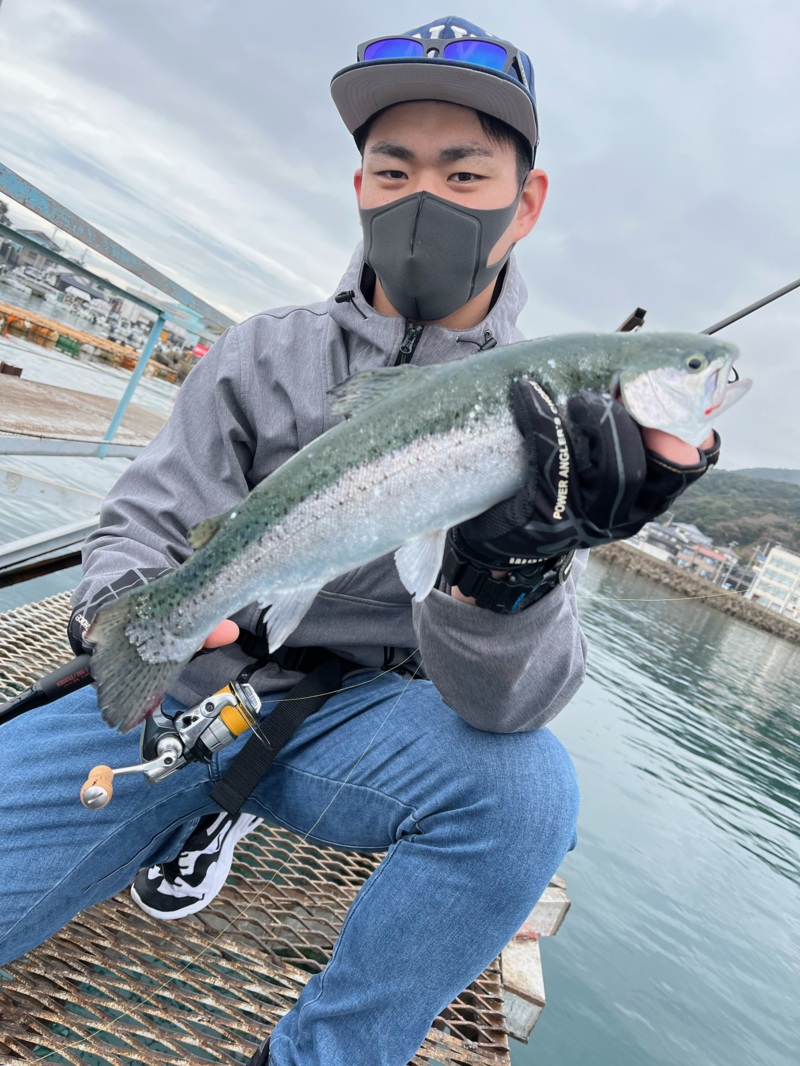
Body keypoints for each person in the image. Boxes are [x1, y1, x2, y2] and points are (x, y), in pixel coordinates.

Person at [0, 16, 720, 1066]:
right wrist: (128, 611)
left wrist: (508, 573)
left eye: (463, 170)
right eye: (393, 165)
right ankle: (193, 797)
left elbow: (509, 705)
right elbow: (147, 518)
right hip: (197, 679)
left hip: (367, 716)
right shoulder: (263, 353)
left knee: (528, 799)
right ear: (359, 185)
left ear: (525, 201)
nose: (421, 194)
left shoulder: (548, 418)